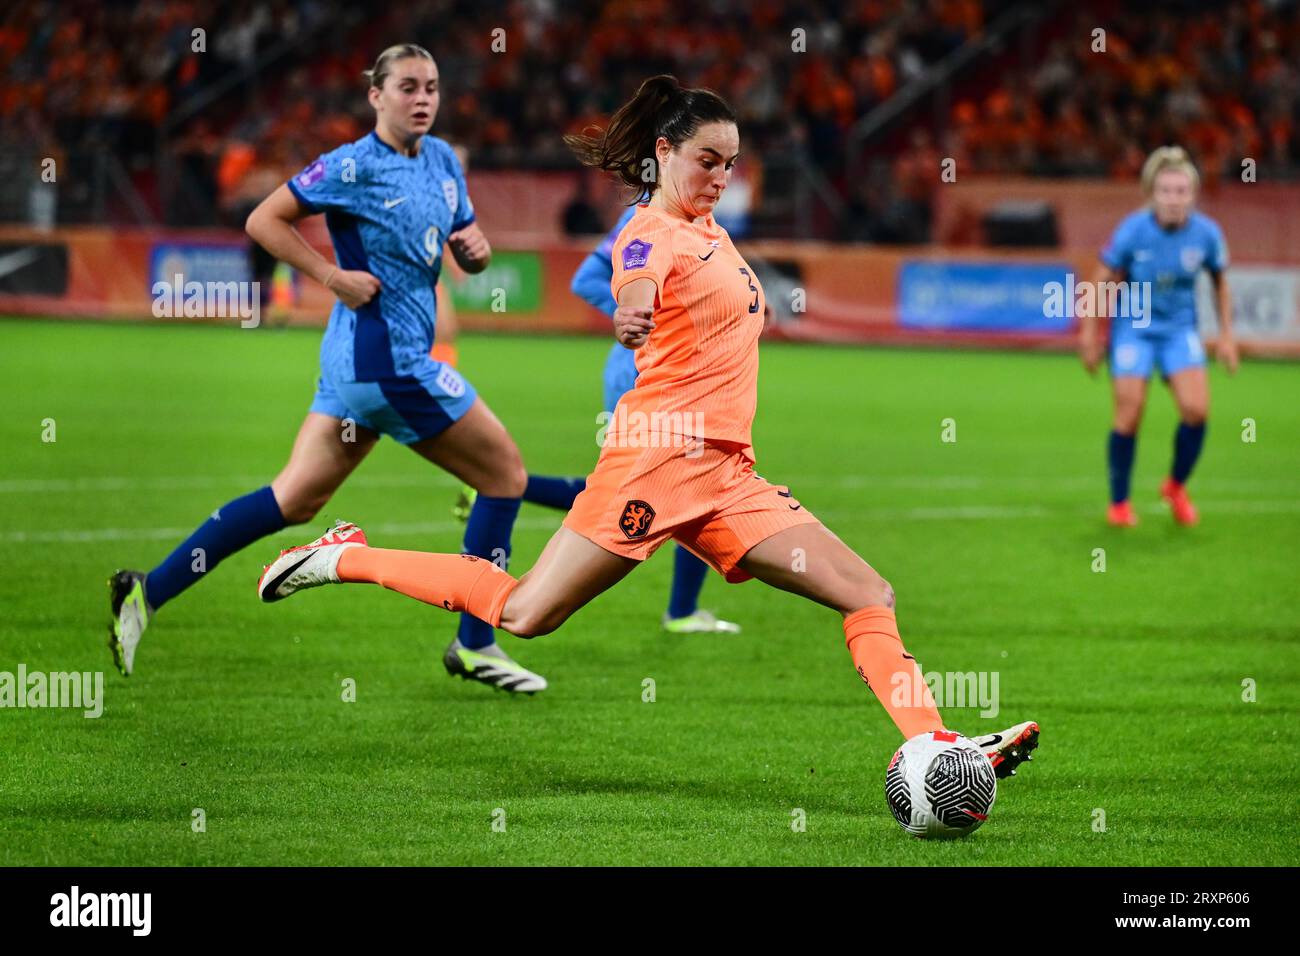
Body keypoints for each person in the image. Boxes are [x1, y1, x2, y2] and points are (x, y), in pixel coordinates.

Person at [256, 75, 1040, 774]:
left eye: (731, 164)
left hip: (729, 477)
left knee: (868, 591)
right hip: (653, 464)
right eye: (707, 160)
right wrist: (632, 313)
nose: (721, 178)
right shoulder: (648, 232)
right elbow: (635, 281)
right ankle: (346, 559)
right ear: (664, 152)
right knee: (528, 613)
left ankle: (936, 744)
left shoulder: (714, 233)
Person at [109, 43, 549, 693]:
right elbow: (265, 219)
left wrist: (477, 254)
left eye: (431, 87)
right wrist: (328, 275)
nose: (422, 98)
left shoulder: (446, 161)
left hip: (356, 368)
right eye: (406, 87)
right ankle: (475, 642)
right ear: (376, 96)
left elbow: (463, 247)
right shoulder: (351, 166)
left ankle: (145, 593)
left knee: (293, 498)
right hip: (388, 365)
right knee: (506, 475)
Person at [519, 204, 742, 635]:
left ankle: (509, 488)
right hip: (645, 375)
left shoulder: (700, 225)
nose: (718, 177)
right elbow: (586, 281)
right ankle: (509, 490)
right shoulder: (646, 220)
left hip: (675, 376)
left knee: (668, 488)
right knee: (672, 488)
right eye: (708, 160)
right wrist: (648, 321)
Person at [1080, 146, 1237, 527]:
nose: (1173, 199)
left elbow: (1219, 282)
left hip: (1179, 330)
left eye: (1181, 191)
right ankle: (1119, 503)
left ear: (1193, 195)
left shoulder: (1207, 234)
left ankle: (1175, 485)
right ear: (1152, 193)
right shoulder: (1133, 229)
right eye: (1165, 191)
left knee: (1197, 411)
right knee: (1129, 413)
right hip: (1134, 328)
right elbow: (1098, 279)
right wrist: (1089, 335)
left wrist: (1227, 336)